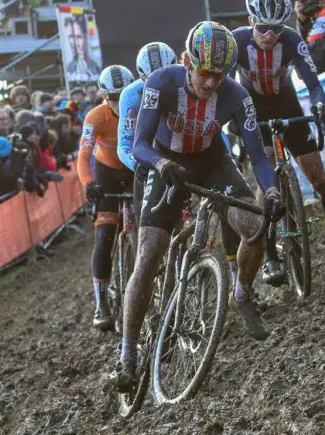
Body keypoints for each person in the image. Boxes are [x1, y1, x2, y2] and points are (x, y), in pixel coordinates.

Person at [116, 21, 285, 391]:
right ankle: (127, 354)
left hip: (211, 162)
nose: (211, 84)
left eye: (219, 76)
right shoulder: (160, 83)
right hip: (162, 162)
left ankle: (242, 292)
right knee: (149, 256)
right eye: (205, 73)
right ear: (187, 61)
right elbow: (139, 143)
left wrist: (270, 192)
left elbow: (257, 156)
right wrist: (161, 165)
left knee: (255, 227)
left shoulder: (236, 96)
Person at [235, 0, 325, 272]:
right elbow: (225, 90)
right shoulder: (237, 42)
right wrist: (232, 123)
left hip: (285, 102)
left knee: (317, 176)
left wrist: (319, 105)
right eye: (262, 28)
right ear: (250, 22)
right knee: (267, 172)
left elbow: (314, 85)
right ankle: (270, 250)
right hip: (252, 105)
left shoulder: (293, 40)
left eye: (276, 29)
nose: (270, 36)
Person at [76, 65, 135, 331]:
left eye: (124, 95)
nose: (120, 103)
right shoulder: (95, 117)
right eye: (113, 98)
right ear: (104, 96)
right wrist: (89, 184)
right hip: (106, 173)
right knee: (104, 235)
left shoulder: (141, 107)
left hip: (135, 168)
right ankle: (101, 303)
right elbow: (83, 158)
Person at [117, 41, 177, 218]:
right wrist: (136, 164)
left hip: (180, 148)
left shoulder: (190, 83)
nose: (160, 87)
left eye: (166, 79)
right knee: (144, 220)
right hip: (149, 154)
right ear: (142, 79)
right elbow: (125, 144)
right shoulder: (130, 95)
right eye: (152, 81)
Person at [64, 14, 101, 80]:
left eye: (79, 37)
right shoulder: (71, 70)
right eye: (72, 37)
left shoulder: (98, 68)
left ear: (87, 37)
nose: (76, 44)